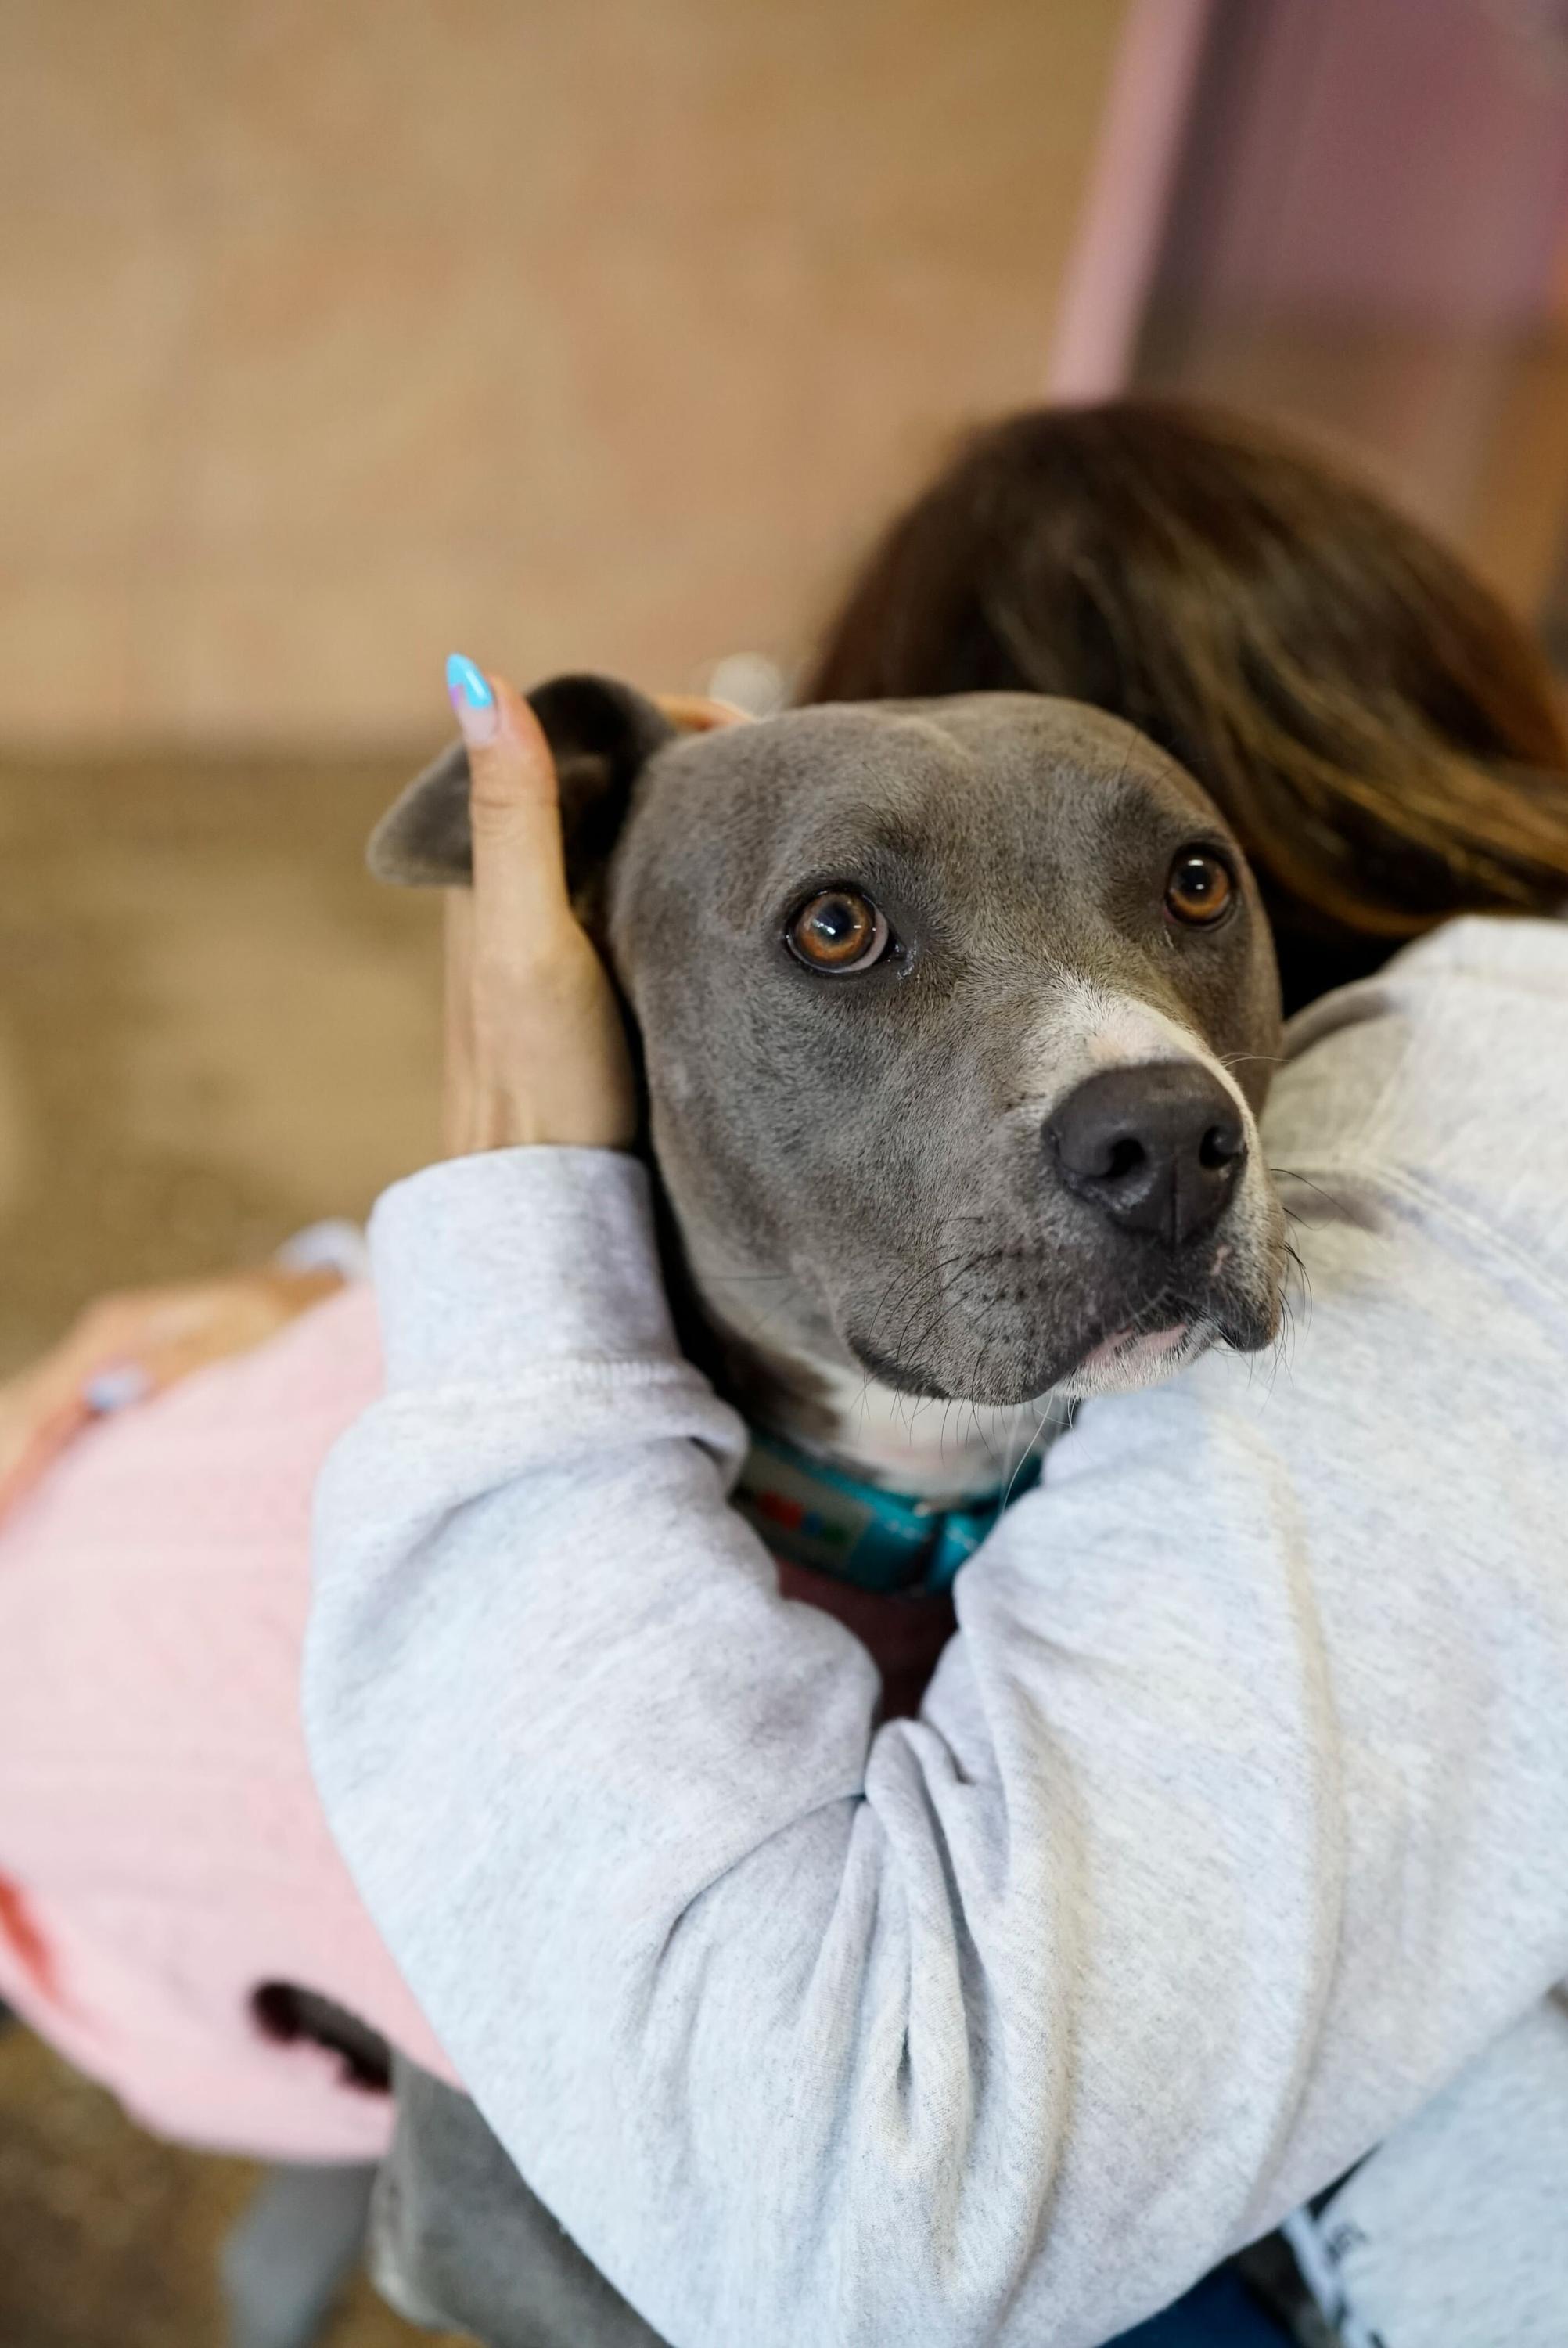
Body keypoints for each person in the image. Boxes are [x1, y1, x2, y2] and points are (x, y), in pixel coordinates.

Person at [3, 401, 1567, 2346]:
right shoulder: (512, 1580)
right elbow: (620, 2211)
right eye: (846, 928)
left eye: (1176, 894)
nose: (1140, 1084)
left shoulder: (1477, 1112)